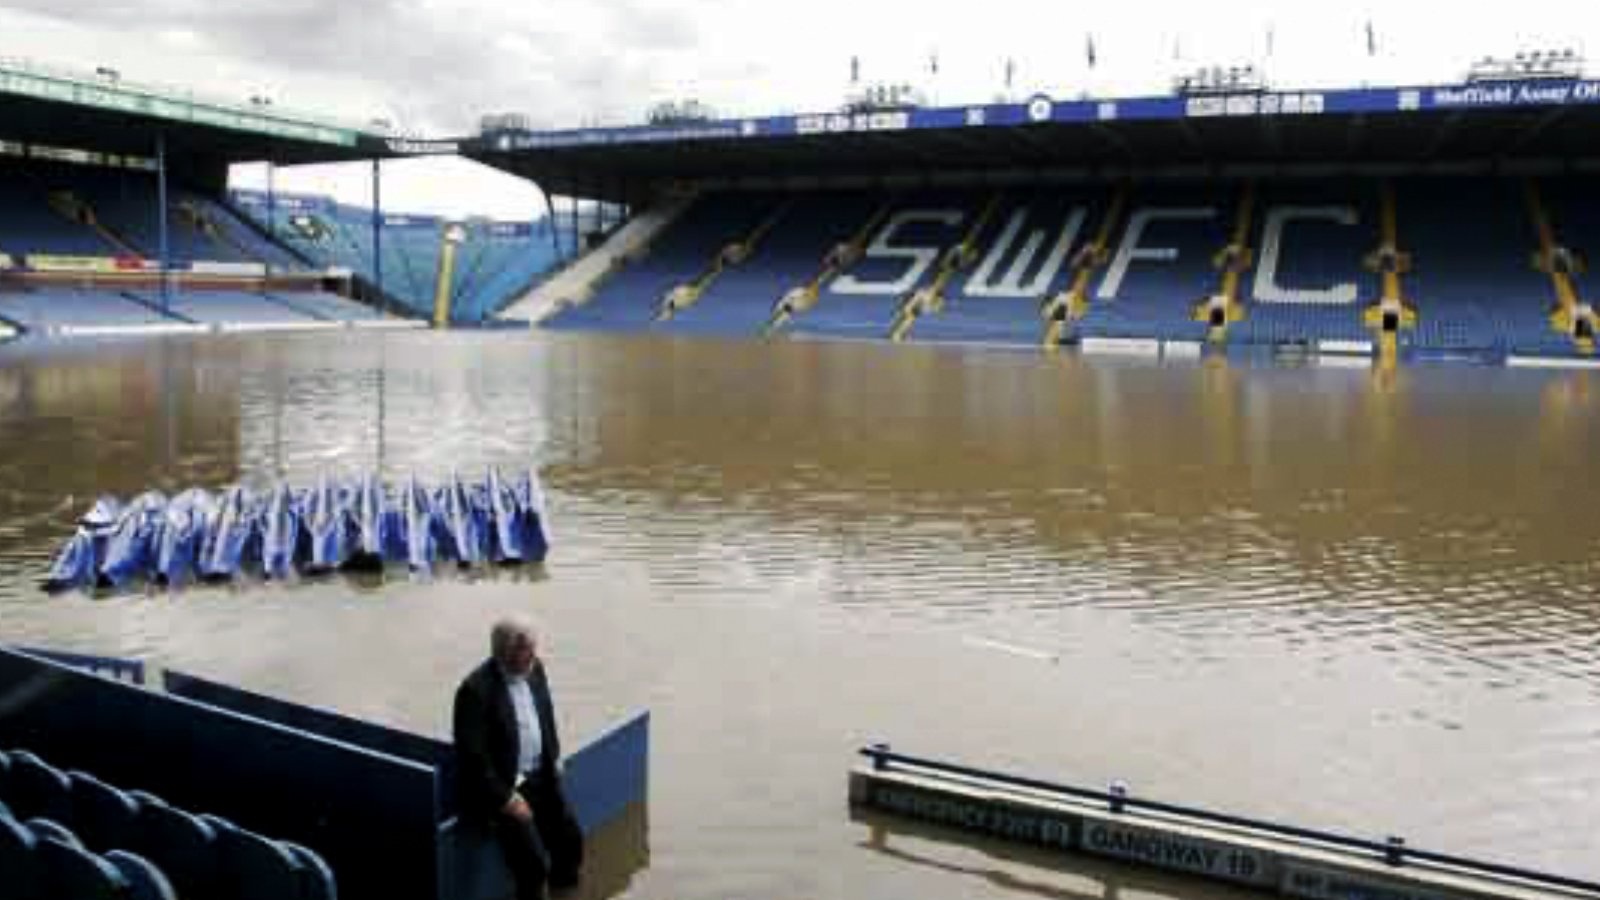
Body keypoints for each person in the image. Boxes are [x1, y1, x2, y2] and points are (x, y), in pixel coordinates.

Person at [454, 618, 584, 898]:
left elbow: (546, 718)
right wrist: (506, 798)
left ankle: (565, 892)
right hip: (501, 788)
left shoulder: (536, 670)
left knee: (570, 841)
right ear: (503, 652)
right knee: (533, 866)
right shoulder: (474, 691)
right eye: (525, 650)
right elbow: (472, 759)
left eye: (533, 648)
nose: (533, 656)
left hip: (539, 775)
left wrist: (554, 756)